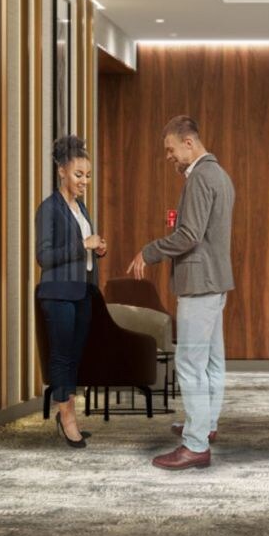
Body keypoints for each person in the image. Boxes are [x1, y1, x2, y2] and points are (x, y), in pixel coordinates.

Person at [128, 113, 235, 472]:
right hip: (215, 282)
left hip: (198, 285)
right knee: (212, 362)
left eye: (171, 149)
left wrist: (149, 251)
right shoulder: (220, 175)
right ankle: (205, 425)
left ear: (189, 143)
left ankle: (195, 445)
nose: (169, 157)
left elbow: (189, 237)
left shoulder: (201, 177)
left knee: (190, 364)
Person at [35, 134, 107, 449]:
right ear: (62, 170)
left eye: (88, 175)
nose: (85, 181)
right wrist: (83, 245)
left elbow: (84, 250)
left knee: (75, 357)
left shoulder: (81, 208)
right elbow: (44, 256)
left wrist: (98, 248)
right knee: (61, 356)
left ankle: (67, 413)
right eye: (79, 174)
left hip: (82, 292)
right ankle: (68, 420)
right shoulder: (49, 208)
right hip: (58, 293)